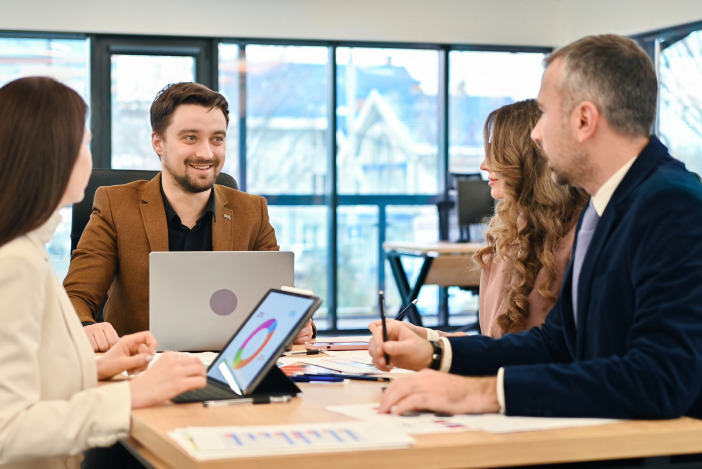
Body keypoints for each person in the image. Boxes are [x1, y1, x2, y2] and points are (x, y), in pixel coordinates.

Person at [369, 34, 702, 419]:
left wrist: (483, 394)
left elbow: (660, 379)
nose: (535, 134)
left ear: (583, 120)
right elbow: (557, 344)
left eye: (544, 113)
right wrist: (437, 353)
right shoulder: (605, 205)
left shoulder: (672, 204)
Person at [0, 76, 206, 468]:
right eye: (86, 144)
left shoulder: (27, 249)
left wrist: (96, 365)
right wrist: (133, 394)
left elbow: (27, 376)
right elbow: (7, 430)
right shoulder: (15, 263)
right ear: (54, 155)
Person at [63, 82, 314, 351]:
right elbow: (75, 297)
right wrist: (87, 328)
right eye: (190, 138)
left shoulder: (252, 212)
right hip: (143, 369)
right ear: (158, 142)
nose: (206, 153)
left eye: (217, 138)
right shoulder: (116, 205)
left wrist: (298, 326)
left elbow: (279, 303)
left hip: (229, 369)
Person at [400, 99, 587, 340]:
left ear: (524, 157)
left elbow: (528, 352)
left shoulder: (577, 239)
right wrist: (429, 339)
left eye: (495, 154)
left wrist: (438, 347)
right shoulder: (509, 235)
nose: (483, 165)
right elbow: (495, 346)